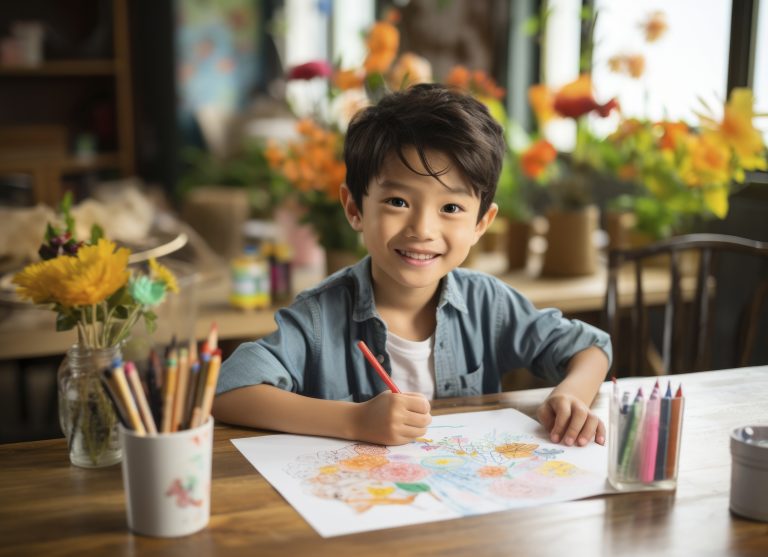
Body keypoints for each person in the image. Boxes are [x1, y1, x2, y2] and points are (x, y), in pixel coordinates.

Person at [213, 83, 612, 447]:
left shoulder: (487, 303)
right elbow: (227, 392)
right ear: (355, 209)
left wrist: (571, 394)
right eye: (398, 202)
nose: (422, 229)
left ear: (480, 224)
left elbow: (591, 348)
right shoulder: (319, 317)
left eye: (451, 208)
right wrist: (354, 421)